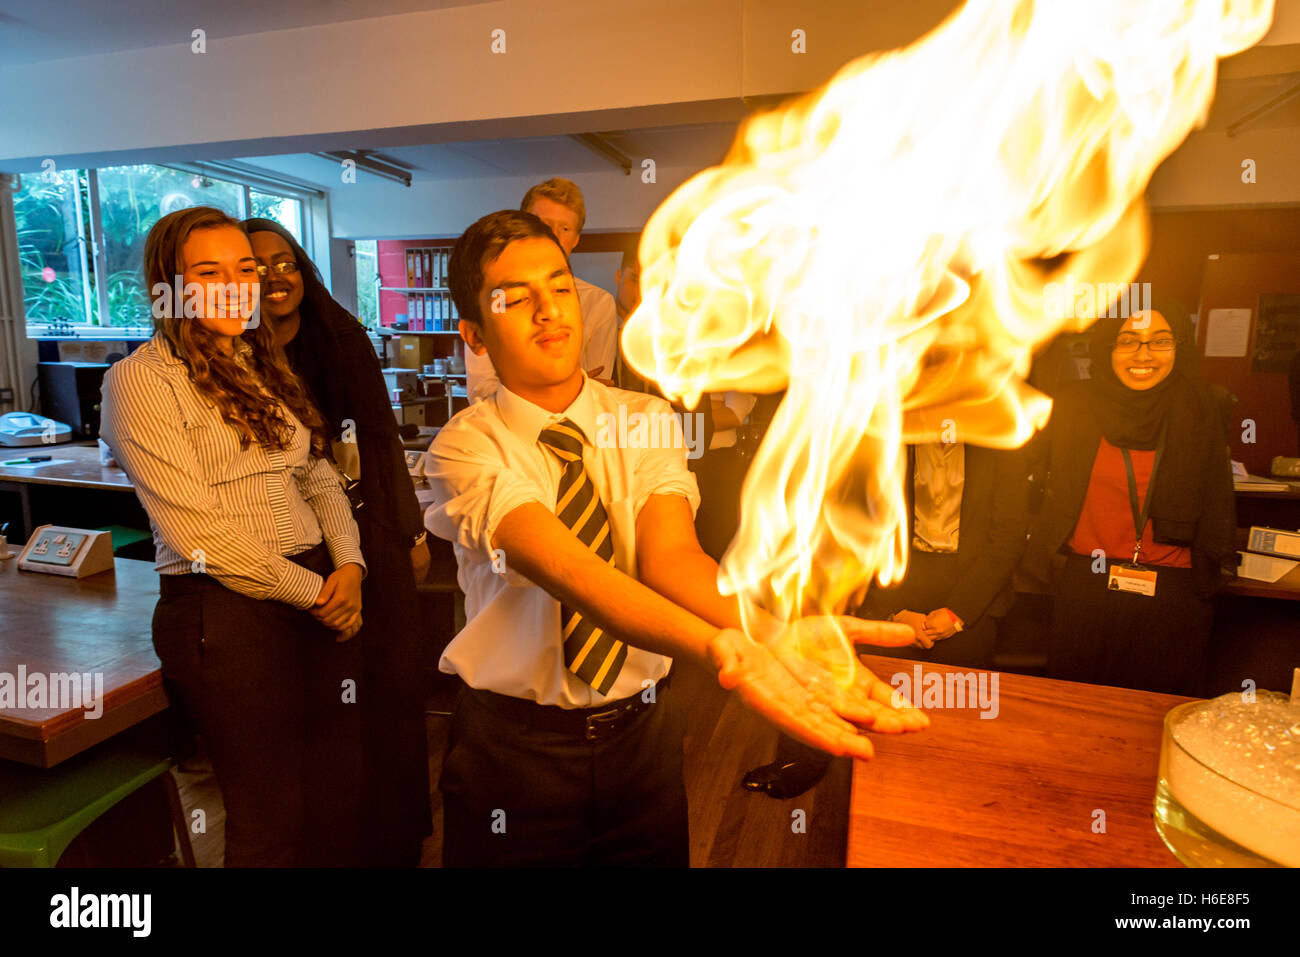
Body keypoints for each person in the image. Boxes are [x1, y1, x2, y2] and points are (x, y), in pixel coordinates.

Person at [425, 209, 929, 866]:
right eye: (515, 299)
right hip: (516, 753)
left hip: (643, 742)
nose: (548, 311)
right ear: (475, 334)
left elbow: (671, 559)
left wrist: (770, 630)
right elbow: (576, 571)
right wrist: (727, 649)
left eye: (559, 286)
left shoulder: (643, 418)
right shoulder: (465, 445)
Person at [100, 206, 366, 866]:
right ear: (171, 285)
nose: (234, 285)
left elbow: (320, 476)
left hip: (314, 589)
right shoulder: (140, 380)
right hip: (224, 609)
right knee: (266, 815)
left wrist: (352, 566)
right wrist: (319, 592)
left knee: (325, 795)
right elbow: (199, 536)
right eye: (208, 271)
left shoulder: (257, 361)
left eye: (244, 268)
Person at [243, 217, 432, 868]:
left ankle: (393, 840)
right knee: (322, 708)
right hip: (287, 547)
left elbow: (380, 439)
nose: (275, 276)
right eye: (257, 265)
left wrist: (408, 529)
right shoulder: (228, 353)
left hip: (368, 530)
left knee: (389, 686)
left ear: (302, 269)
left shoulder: (340, 335)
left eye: (285, 261)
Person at [744, 441, 1029, 798]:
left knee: (960, 707)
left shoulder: (1002, 437)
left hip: (973, 589)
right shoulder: (886, 433)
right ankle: (809, 766)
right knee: (859, 689)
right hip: (896, 584)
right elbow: (862, 530)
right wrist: (896, 610)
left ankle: (951, 789)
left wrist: (959, 613)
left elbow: (1008, 538)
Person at [1022, 306, 1236, 696]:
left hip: (1175, 590)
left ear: (1179, 348)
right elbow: (1022, 468)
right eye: (1128, 341)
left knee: (1156, 716)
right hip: (1088, 585)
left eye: (1160, 341)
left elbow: (1215, 497)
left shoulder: (1205, 406)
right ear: (1107, 348)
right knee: (1074, 709)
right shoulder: (1074, 405)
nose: (1143, 354)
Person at [465, 177, 618, 401]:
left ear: (575, 239)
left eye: (565, 228)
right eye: (544, 225)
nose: (553, 236)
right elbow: (480, 390)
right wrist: (562, 392)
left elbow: (597, 394)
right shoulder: (490, 298)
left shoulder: (598, 303)